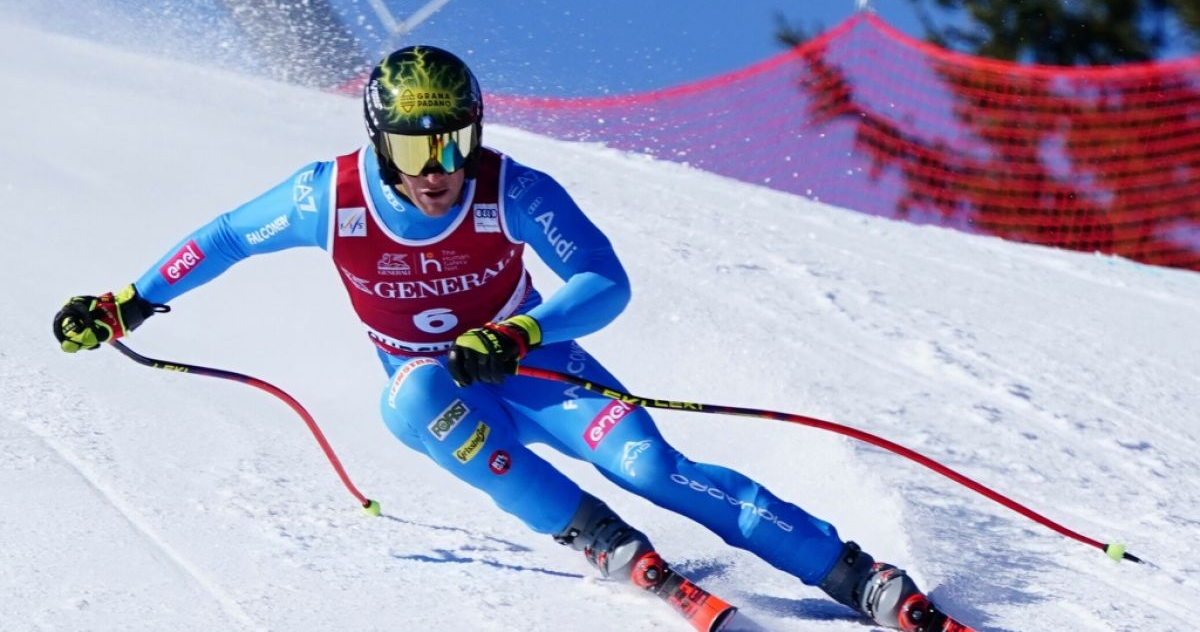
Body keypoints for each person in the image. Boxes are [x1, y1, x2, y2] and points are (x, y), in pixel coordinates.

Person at [53, 46, 963, 632]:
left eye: (454, 144)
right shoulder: (321, 197)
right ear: (379, 144)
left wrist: (521, 327)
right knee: (407, 396)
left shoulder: (507, 186)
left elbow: (606, 281)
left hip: (541, 368)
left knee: (654, 468)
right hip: (446, 390)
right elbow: (220, 239)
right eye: (416, 153)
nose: (440, 172)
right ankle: (597, 537)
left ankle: (857, 576)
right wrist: (129, 302)